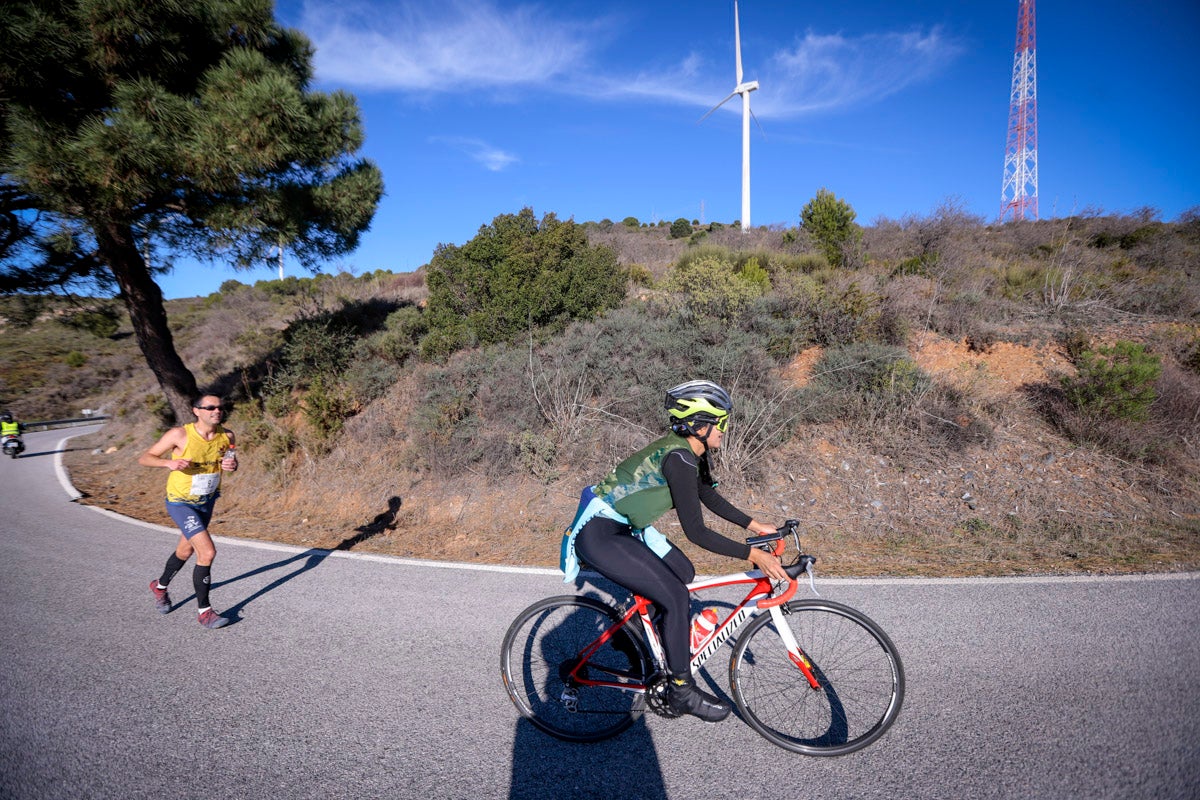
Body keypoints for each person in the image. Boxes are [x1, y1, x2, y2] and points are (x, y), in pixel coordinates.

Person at [562, 380, 790, 722]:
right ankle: (682, 689)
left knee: (683, 573)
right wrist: (753, 555)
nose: (725, 430)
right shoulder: (678, 458)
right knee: (676, 597)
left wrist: (754, 526)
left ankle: (634, 635)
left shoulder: (689, 455)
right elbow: (696, 532)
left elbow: (706, 495)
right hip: (600, 533)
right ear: (700, 425)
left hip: (626, 527)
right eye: (722, 422)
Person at [138, 393, 238, 629]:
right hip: (181, 502)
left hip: (207, 501)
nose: (217, 411)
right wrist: (168, 463)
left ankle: (159, 587)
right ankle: (205, 612)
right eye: (211, 407)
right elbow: (145, 458)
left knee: (184, 551)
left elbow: (231, 460)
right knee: (207, 552)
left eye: (220, 407)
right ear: (197, 410)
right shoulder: (179, 435)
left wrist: (232, 465)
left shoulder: (228, 436)